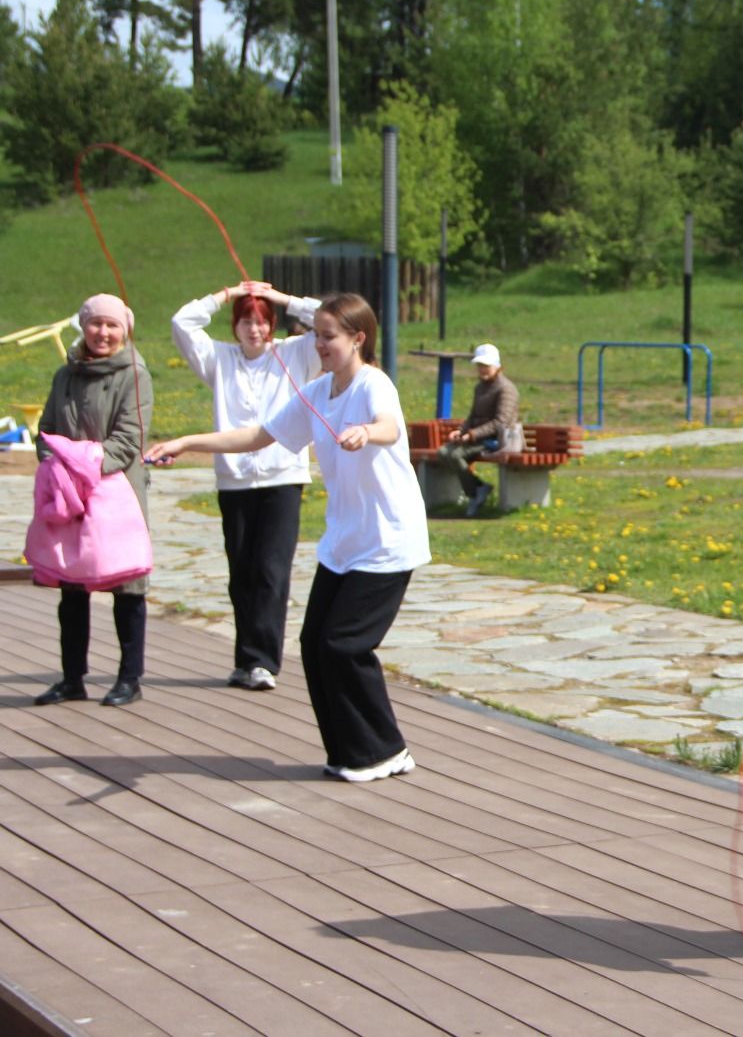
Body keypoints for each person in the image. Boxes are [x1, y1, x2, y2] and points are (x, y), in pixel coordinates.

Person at [146, 294, 430, 782]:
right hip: (344, 544)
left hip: (387, 540)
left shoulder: (373, 384)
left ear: (358, 338)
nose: (318, 344)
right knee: (313, 643)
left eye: (328, 336)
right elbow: (257, 436)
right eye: (315, 335)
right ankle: (354, 750)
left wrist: (366, 432)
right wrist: (187, 442)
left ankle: (383, 750)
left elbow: (386, 424)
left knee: (343, 645)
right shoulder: (318, 393)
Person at [171, 281, 322, 692]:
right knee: (241, 572)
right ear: (235, 326)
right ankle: (244, 658)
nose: (254, 330)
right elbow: (182, 323)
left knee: (271, 570)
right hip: (235, 480)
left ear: (272, 324)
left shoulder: (295, 353)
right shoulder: (219, 359)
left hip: (282, 478)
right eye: (245, 321)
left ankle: (264, 661)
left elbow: (333, 318)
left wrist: (283, 299)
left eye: (261, 322)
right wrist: (223, 295)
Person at [34, 293, 153, 708]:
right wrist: (53, 460)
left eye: (112, 325)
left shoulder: (134, 374)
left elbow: (129, 440)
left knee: (127, 584)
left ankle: (129, 678)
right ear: (83, 326)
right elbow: (47, 427)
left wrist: (82, 461)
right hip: (71, 492)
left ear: (125, 329)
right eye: (96, 324)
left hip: (117, 491)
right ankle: (71, 678)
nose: (103, 332)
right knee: (72, 585)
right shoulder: (64, 374)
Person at [438, 342, 521, 517]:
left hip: (498, 440)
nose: (482, 369)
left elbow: (501, 423)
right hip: (478, 438)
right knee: (443, 452)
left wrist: (472, 435)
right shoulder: (480, 387)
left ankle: (473, 494)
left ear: (497, 366)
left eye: (486, 365)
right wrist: (461, 431)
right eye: (479, 366)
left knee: (454, 455)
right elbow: (473, 416)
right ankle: (478, 489)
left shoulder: (507, 389)